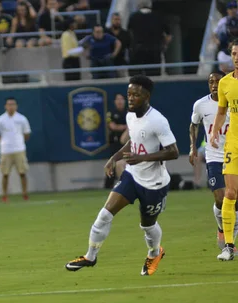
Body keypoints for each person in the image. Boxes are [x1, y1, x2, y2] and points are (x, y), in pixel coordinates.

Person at [65, 75, 179, 275]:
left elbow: (173, 151)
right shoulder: (129, 116)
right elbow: (132, 142)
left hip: (154, 184)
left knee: (147, 226)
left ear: (146, 95)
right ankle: (90, 257)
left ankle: (154, 253)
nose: (131, 98)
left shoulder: (158, 120)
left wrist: (143, 157)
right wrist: (114, 158)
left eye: (135, 94)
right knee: (104, 214)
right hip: (132, 176)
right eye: (129, 94)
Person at [190, 72, 238, 250]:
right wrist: (192, 147)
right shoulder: (201, 105)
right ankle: (222, 229)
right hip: (214, 157)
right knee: (220, 198)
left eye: (218, 81)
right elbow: (193, 124)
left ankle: (229, 241)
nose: (214, 84)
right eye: (211, 82)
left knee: (233, 198)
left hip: (233, 153)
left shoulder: (233, 101)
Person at [211, 39, 238, 260]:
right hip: (233, 144)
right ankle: (229, 246)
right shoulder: (225, 83)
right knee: (230, 193)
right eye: (234, 53)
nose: (237, 56)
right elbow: (221, 112)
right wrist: (214, 133)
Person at [0, 97, 31, 202]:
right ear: (5, 106)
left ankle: (25, 193)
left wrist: (19, 142)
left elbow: (27, 133)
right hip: (5, 150)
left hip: (19, 149)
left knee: (22, 172)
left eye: (13, 104)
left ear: (16, 106)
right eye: (9, 104)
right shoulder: (0, 120)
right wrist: (5, 143)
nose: (11, 106)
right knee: (5, 173)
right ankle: (4, 195)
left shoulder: (22, 119)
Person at [104, 93, 128, 189]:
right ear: (115, 102)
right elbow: (112, 126)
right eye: (118, 99)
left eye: (121, 99)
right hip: (115, 142)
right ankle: (108, 185)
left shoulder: (129, 113)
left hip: (127, 143)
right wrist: (126, 127)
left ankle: (126, 182)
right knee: (113, 163)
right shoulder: (111, 113)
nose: (120, 101)